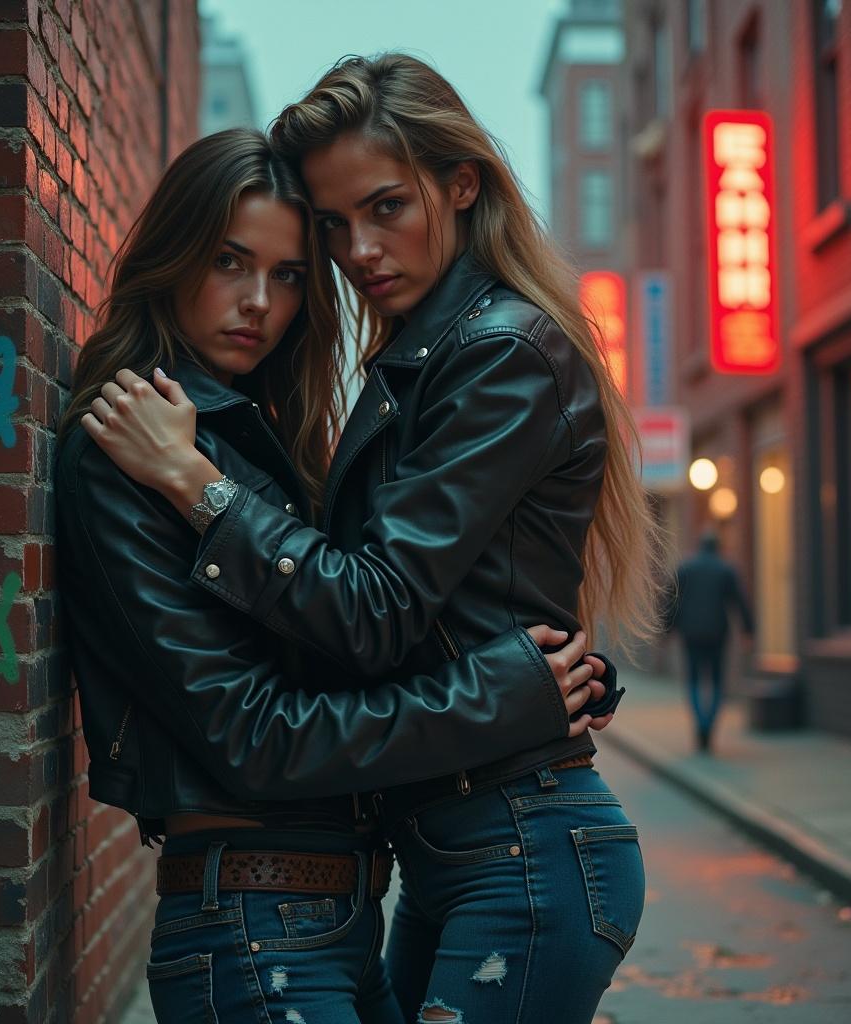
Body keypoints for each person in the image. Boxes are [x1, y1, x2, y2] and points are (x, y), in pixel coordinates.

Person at [88, 55, 665, 1024]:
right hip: (459, 850)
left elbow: (371, 607)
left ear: (462, 183)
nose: (358, 248)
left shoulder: (495, 351)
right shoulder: (418, 361)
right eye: (333, 223)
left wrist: (197, 483)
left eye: (385, 207)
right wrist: (517, 680)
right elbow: (405, 608)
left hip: (514, 846)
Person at [667, 531, 754, 751]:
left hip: (691, 633)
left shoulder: (685, 568)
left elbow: (671, 600)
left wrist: (667, 629)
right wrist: (748, 630)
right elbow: (740, 601)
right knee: (716, 681)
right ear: (718, 547)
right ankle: (709, 725)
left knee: (694, 680)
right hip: (717, 633)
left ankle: (700, 724)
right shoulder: (726, 569)